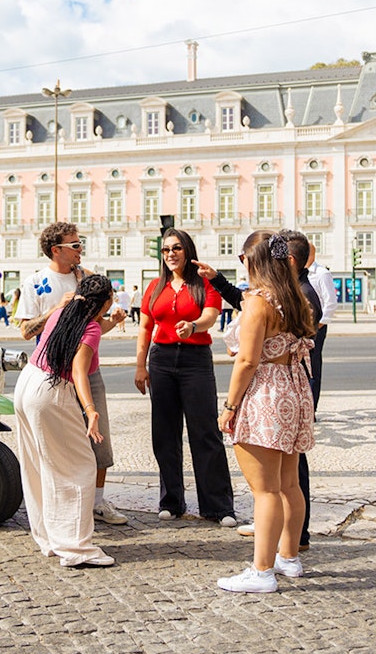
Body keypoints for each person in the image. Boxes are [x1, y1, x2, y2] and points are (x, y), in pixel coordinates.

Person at [195, 229, 321, 549]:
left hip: (266, 391)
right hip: (293, 388)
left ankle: (263, 569)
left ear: (255, 260)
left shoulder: (257, 301)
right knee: (290, 485)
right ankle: (289, 557)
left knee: (265, 491)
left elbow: (248, 361)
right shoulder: (294, 297)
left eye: (244, 259)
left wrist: (230, 407)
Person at [17, 222, 128, 525]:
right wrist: (56, 309)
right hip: (55, 375)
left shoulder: (87, 278)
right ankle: (58, 506)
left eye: (81, 243)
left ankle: (98, 502)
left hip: (89, 370)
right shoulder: (36, 282)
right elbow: (26, 330)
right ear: (57, 250)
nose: (81, 249)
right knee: (57, 444)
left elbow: (93, 329)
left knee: (99, 440)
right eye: (76, 245)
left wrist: (113, 319)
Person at [134, 228, 237, 527]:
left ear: (188, 250)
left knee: (205, 432)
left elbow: (210, 316)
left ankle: (217, 506)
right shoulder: (154, 286)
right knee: (164, 434)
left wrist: (193, 327)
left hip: (196, 361)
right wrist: (141, 366)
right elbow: (144, 329)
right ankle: (171, 501)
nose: (171, 254)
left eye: (176, 248)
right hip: (162, 360)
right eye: (166, 250)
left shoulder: (204, 283)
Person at [13, 274, 117, 567]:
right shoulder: (91, 326)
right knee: (80, 467)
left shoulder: (64, 312)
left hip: (28, 382)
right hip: (51, 392)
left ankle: (49, 538)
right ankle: (76, 549)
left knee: (39, 465)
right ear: (105, 302)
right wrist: (91, 409)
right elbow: (79, 371)